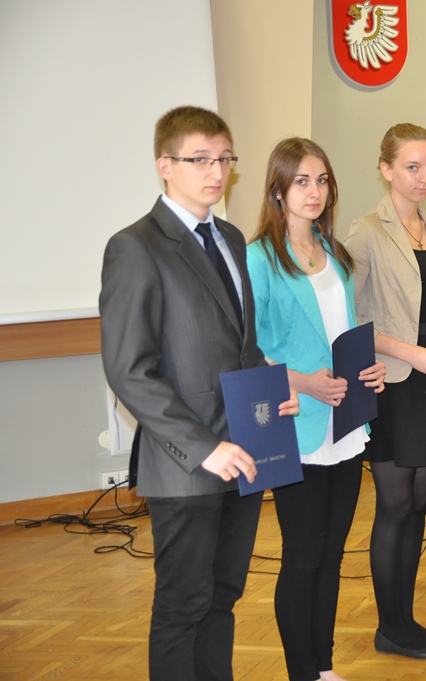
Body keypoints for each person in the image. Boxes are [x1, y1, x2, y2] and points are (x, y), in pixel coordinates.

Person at [99, 106, 298, 681]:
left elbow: (243, 346)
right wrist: (205, 447)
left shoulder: (231, 238)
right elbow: (130, 370)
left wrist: (273, 394)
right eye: (200, 160)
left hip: (247, 451)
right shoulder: (135, 247)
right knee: (183, 605)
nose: (216, 172)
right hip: (186, 464)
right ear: (165, 165)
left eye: (225, 159)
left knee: (224, 595)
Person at [247, 137, 386, 681]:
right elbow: (248, 351)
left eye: (322, 180)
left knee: (331, 555)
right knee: (302, 556)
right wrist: (305, 383)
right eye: (302, 181)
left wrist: (368, 368)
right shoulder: (260, 258)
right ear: (278, 189)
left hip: (345, 420)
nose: (314, 191)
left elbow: (345, 332)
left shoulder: (335, 253)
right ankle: (300, 673)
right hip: (295, 422)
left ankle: (323, 668)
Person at [344, 123, 426, 659]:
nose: (424, 177)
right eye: (412, 167)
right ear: (386, 169)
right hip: (395, 379)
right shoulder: (365, 231)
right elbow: (350, 321)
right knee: (395, 505)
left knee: (420, 504)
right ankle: (390, 628)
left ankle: (406, 621)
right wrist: (411, 353)